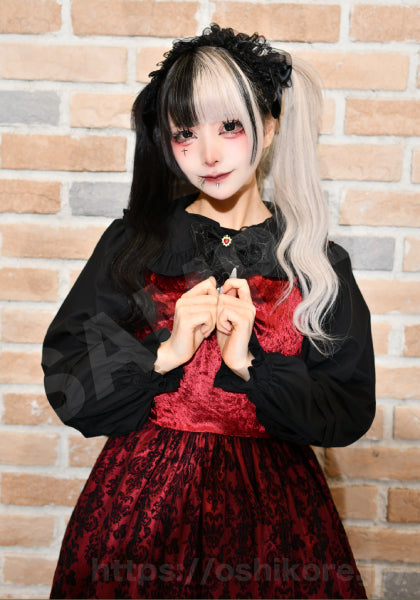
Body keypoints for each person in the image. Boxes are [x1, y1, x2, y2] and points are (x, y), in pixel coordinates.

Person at [42, 24, 375, 599]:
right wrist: (164, 354)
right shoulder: (136, 244)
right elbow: (68, 378)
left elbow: (346, 407)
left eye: (230, 127)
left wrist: (252, 366)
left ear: (270, 126)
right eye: (185, 133)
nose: (208, 154)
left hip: (278, 520)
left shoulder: (315, 264)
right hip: (141, 511)